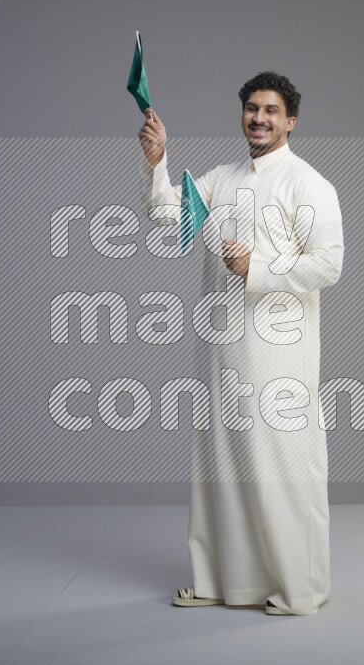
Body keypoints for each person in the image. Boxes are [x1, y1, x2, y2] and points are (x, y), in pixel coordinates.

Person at [138, 72, 344, 616]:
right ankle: (221, 581)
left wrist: (259, 267)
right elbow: (170, 216)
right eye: (252, 108)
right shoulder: (221, 179)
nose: (259, 118)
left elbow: (329, 263)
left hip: (278, 353)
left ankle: (300, 590)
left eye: (271, 110)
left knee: (281, 466)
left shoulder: (308, 184)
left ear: (290, 120)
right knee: (218, 468)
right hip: (220, 349)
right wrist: (158, 159)